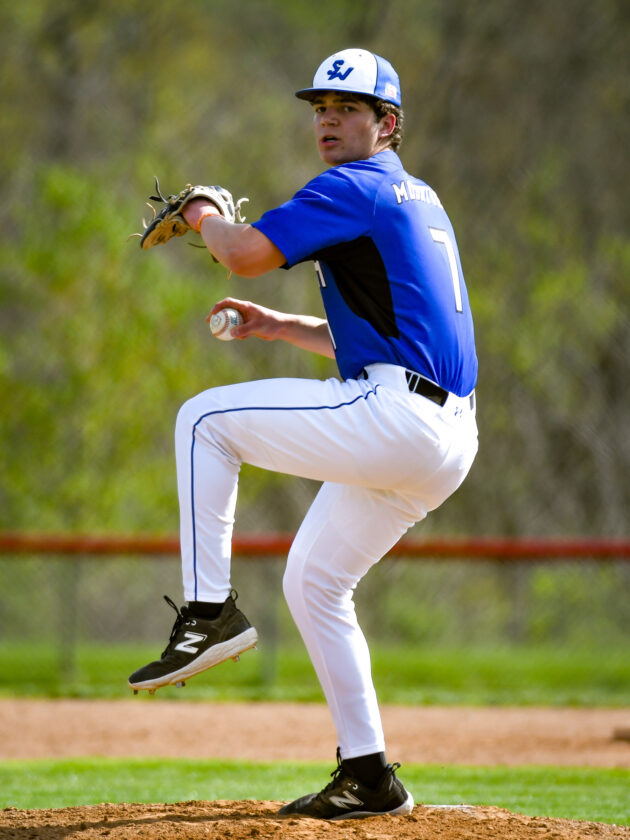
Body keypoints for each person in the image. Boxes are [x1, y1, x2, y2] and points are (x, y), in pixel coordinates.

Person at [129, 47, 478, 820]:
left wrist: (204, 213)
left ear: (387, 125)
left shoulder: (352, 185)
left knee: (202, 421)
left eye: (348, 108)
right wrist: (280, 327)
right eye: (320, 107)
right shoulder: (415, 197)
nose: (328, 119)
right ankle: (369, 776)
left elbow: (247, 254)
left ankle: (207, 613)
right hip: (445, 433)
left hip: (399, 419)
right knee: (314, 584)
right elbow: (396, 335)